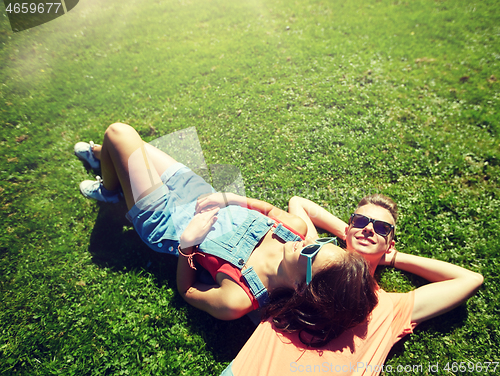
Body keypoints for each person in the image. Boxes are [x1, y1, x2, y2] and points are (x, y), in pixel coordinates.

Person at [74, 123, 377, 335]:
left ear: (302, 288)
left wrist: (187, 245)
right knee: (131, 146)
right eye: (324, 243)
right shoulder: (294, 231)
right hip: (199, 191)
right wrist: (231, 198)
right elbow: (269, 210)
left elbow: (187, 290)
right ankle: (106, 165)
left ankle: (109, 187)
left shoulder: (238, 300)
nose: (312, 242)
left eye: (312, 253)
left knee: (120, 133)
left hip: (165, 220)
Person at [221, 195, 484, 376]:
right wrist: (351, 235)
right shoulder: (311, 260)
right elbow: (299, 203)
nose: (368, 229)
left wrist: (388, 258)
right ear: (347, 229)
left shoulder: (392, 307)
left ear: (391, 243)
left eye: (381, 228)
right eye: (360, 221)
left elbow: (470, 280)